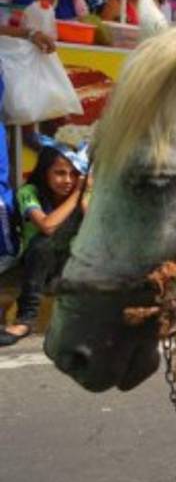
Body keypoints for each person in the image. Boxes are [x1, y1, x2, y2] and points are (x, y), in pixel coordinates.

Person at [0, 142, 88, 347]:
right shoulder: (29, 192)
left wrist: (84, 199)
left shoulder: (84, 195)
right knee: (44, 243)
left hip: (72, 266)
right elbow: (47, 226)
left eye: (74, 174)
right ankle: (26, 319)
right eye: (60, 173)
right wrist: (77, 195)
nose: (67, 180)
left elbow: (98, 228)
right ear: (44, 172)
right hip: (38, 267)